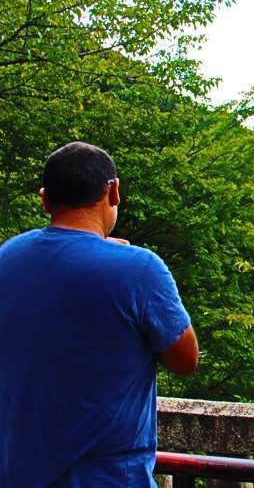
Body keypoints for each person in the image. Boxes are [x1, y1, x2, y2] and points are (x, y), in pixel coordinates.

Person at [0, 142, 199, 487]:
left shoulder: (7, 257)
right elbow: (186, 360)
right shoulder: (139, 269)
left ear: (45, 199)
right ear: (114, 191)